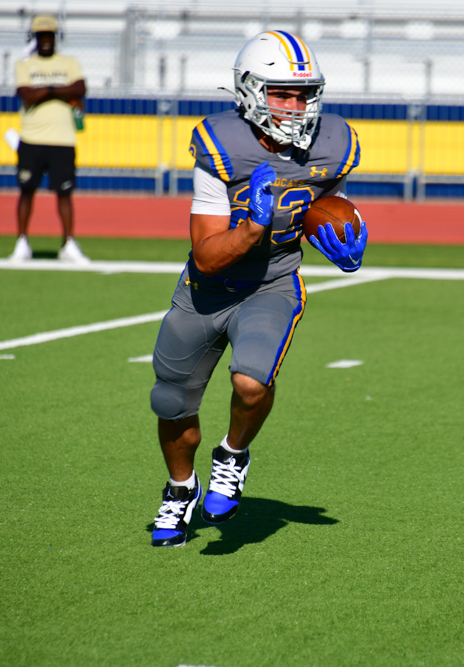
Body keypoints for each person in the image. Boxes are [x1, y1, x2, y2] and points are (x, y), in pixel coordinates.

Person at [148, 31, 368, 547]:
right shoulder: (221, 145)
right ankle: (180, 489)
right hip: (205, 289)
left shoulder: (334, 142)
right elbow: (207, 254)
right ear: (249, 91)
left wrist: (342, 238)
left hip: (272, 284)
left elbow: (328, 205)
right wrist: (250, 228)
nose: (295, 107)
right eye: (281, 94)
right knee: (170, 401)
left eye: (303, 95)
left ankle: (232, 454)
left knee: (251, 383)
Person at [10, 14, 89, 264]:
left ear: (56, 37)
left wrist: (46, 90)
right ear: (34, 37)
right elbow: (26, 94)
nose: (45, 39)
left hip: (63, 139)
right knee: (27, 190)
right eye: (41, 35)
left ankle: (68, 243)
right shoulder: (24, 64)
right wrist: (60, 91)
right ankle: (22, 242)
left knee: (65, 193)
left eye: (49, 35)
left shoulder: (69, 62)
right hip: (31, 138)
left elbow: (80, 88)